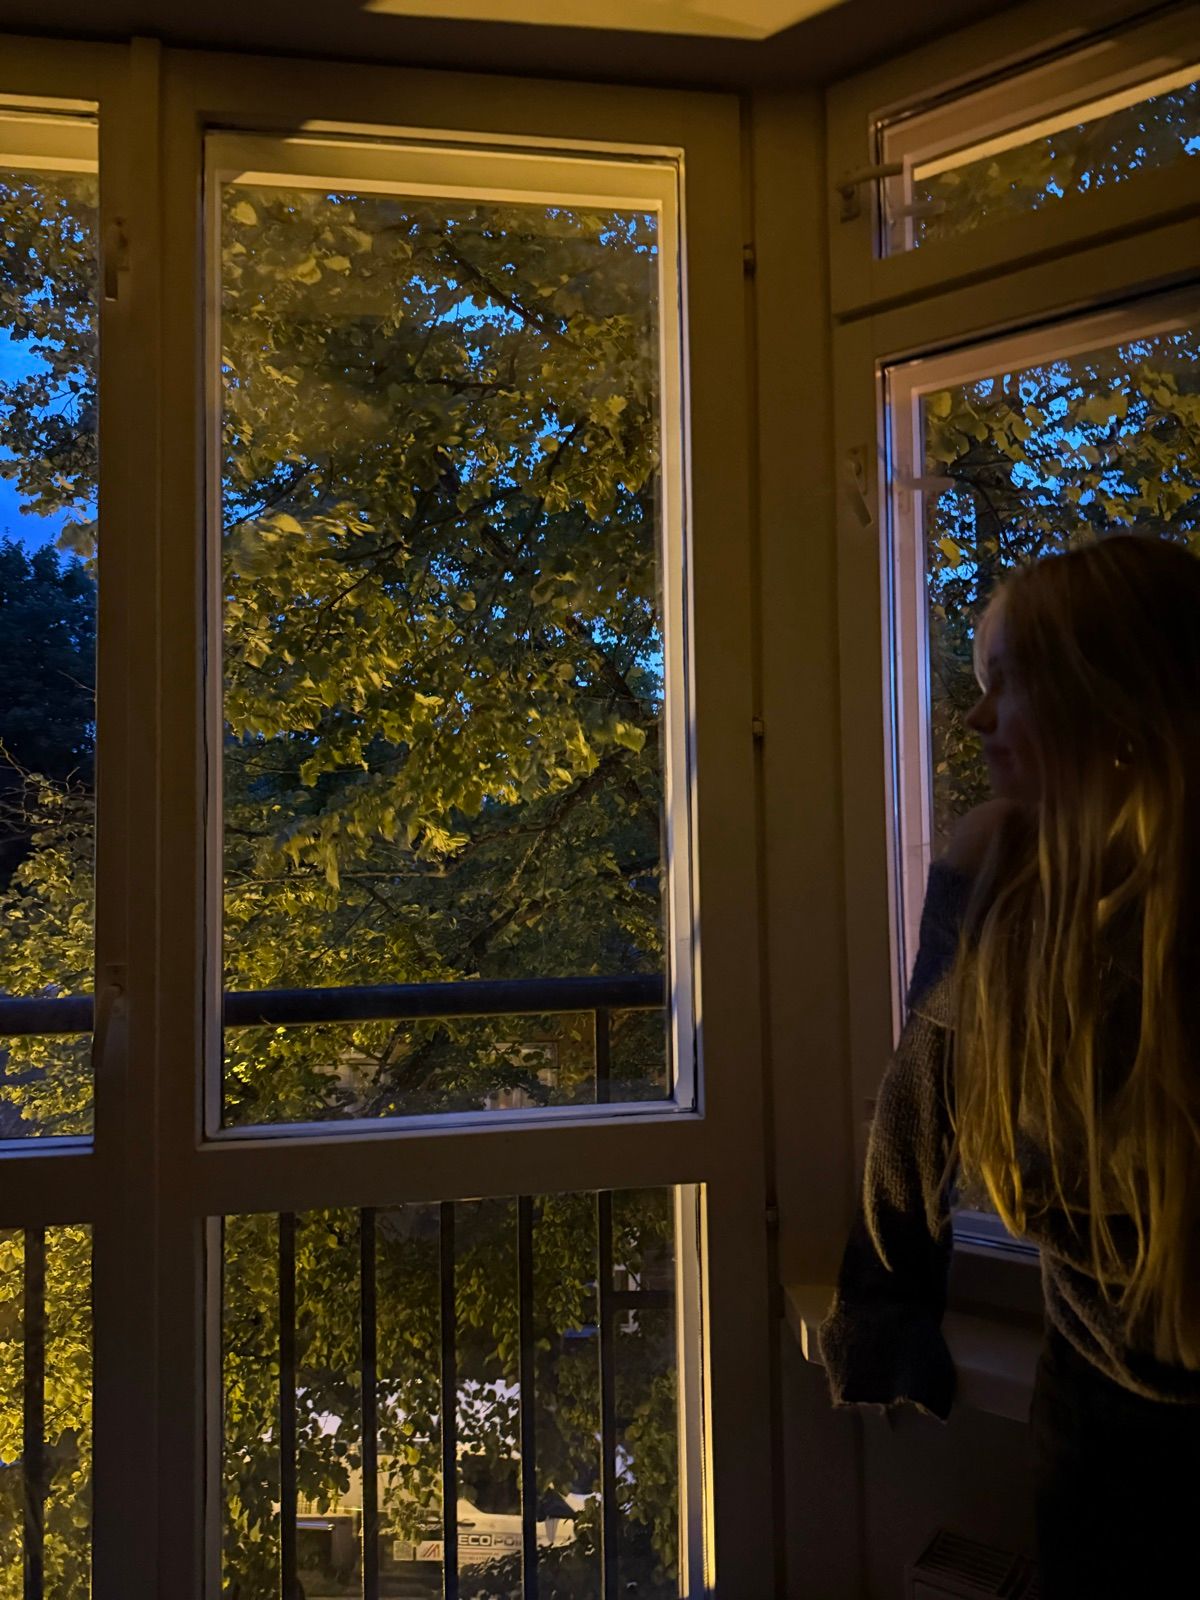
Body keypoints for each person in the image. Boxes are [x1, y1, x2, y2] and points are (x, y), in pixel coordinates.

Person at [818, 533, 1200, 1597]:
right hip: (1094, 1426)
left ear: (1114, 697)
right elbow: (918, 1097)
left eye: (1008, 684)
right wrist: (885, 1306)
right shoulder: (1000, 873)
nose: (975, 720)